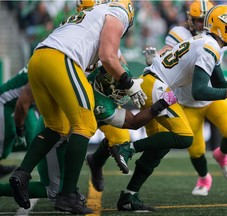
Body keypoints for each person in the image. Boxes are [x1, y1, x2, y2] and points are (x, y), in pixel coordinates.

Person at [112, 4, 227, 211]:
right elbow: (199, 91)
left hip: (159, 86)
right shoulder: (209, 47)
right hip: (157, 86)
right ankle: (126, 148)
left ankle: (129, 196)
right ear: (222, 28)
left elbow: (218, 84)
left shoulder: (209, 44)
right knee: (185, 137)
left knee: (159, 148)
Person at [8, 0, 147, 214]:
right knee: (85, 123)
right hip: (60, 59)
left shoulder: (85, 20)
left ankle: (22, 174)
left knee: (57, 127)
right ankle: (68, 195)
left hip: (38, 60)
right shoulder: (117, 12)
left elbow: (113, 59)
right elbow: (108, 57)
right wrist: (129, 84)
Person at [145, 0, 227, 196]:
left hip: (215, 94)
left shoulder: (220, 36)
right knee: (195, 149)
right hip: (188, 100)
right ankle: (204, 178)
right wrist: (155, 59)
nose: (200, 24)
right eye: (198, 20)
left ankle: (222, 155)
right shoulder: (182, 34)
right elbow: (168, 53)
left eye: (204, 19)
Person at [0, 65, 39, 179]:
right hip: (6, 101)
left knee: (35, 138)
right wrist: (20, 129)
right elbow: (22, 104)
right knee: (7, 138)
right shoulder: (44, 69)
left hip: (26, 103)